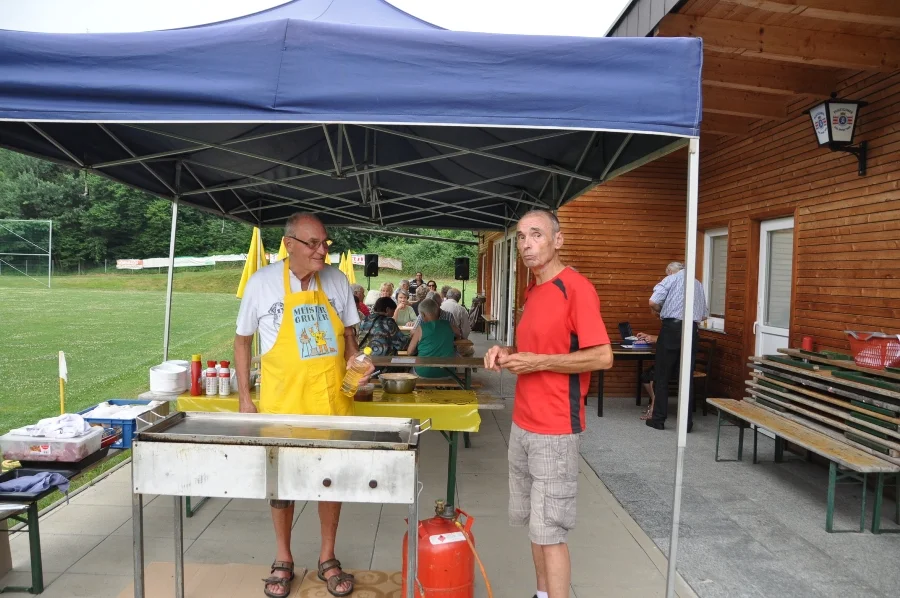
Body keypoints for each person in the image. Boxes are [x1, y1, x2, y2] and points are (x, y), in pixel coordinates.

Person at [234, 212, 370, 598]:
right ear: (289, 244)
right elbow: (242, 342)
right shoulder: (261, 284)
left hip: (330, 401)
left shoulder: (338, 281)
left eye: (326, 243)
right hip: (282, 403)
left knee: (331, 480)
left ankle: (328, 556)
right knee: (282, 482)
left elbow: (350, 340)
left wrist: (357, 365)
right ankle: (283, 557)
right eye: (313, 243)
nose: (322, 250)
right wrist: (246, 398)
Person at [484, 210, 612, 598]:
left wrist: (538, 362)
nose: (525, 244)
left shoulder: (576, 288)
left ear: (558, 240)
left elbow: (603, 356)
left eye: (535, 235)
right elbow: (532, 350)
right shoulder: (533, 291)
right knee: (535, 525)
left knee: (551, 530)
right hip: (523, 423)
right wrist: (506, 352)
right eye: (521, 237)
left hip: (556, 429)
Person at [646, 261, 708, 432]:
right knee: (686, 378)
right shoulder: (697, 284)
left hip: (672, 329)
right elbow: (703, 314)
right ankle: (687, 424)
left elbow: (653, 302)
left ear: (671, 271)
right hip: (692, 332)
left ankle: (658, 419)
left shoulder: (671, 280)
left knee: (662, 375)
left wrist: (661, 310)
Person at [407, 298, 456, 378]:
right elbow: (459, 334)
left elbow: (409, 352)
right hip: (447, 372)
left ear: (423, 315)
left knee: (409, 372)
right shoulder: (449, 325)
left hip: (424, 372)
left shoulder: (420, 329)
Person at [634, 333, 658, 420]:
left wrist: (655, 338)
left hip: (676, 363)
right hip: (665, 359)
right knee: (645, 375)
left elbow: (672, 340)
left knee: (653, 375)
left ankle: (654, 408)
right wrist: (649, 336)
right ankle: (656, 403)